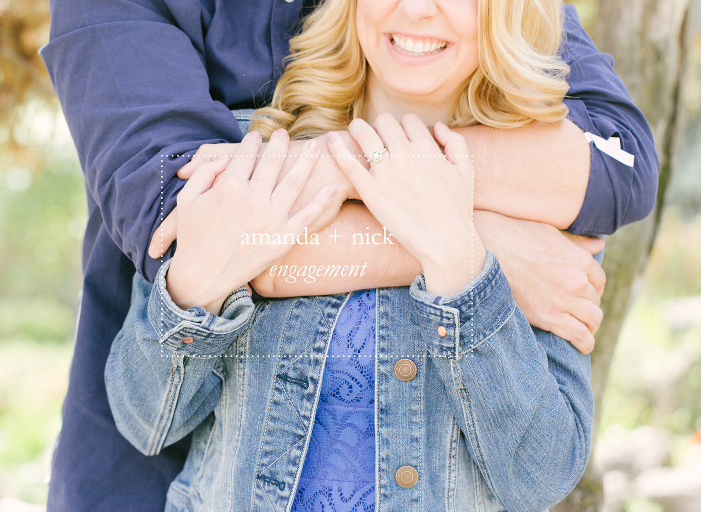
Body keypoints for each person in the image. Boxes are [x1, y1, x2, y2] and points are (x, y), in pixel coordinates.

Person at [40, 0, 658, 511]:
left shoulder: (544, 197)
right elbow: (146, 415)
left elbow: (541, 473)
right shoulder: (250, 154)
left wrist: (455, 257)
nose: (417, 8)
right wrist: (454, 237)